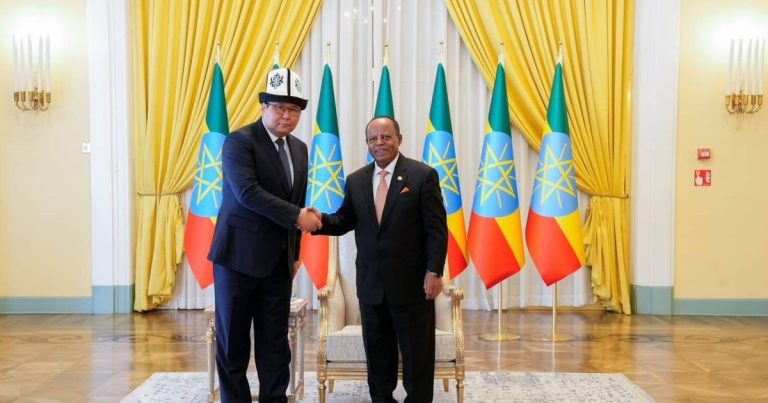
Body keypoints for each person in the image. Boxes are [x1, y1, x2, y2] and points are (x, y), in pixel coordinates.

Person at [309, 116, 448, 403]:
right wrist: (320, 220)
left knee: (417, 357)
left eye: (386, 137)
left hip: (412, 285)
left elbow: (436, 230)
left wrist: (434, 271)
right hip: (371, 284)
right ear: (367, 143)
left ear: (399, 139)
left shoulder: (422, 175)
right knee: (378, 355)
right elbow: (345, 219)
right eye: (373, 139)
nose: (379, 143)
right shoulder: (356, 180)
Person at [208, 67, 321, 402]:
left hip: (278, 263)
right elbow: (248, 193)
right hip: (237, 259)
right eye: (279, 107)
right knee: (233, 343)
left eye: (294, 109)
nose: (287, 115)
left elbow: (294, 201)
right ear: (263, 107)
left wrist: (295, 252)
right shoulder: (239, 141)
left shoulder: (300, 148)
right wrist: (298, 216)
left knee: (275, 343)